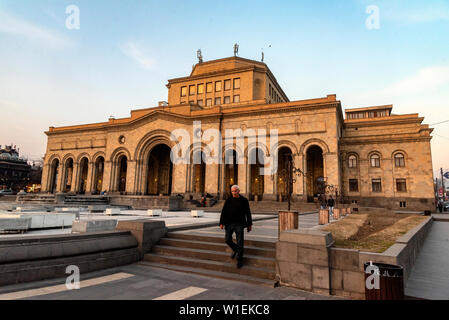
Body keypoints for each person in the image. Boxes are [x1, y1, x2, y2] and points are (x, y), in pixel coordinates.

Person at [219, 185, 253, 268]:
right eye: (232, 191)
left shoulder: (244, 200)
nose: (234, 193)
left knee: (240, 241)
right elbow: (224, 212)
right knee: (227, 239)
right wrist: (221, 223)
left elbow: (248, 213)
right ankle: (236, 250)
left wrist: (249, 224)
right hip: (229, 223)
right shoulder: (229, 200)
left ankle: (239, 260)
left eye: (235, 191)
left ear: (239, 191)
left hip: (239, 224)